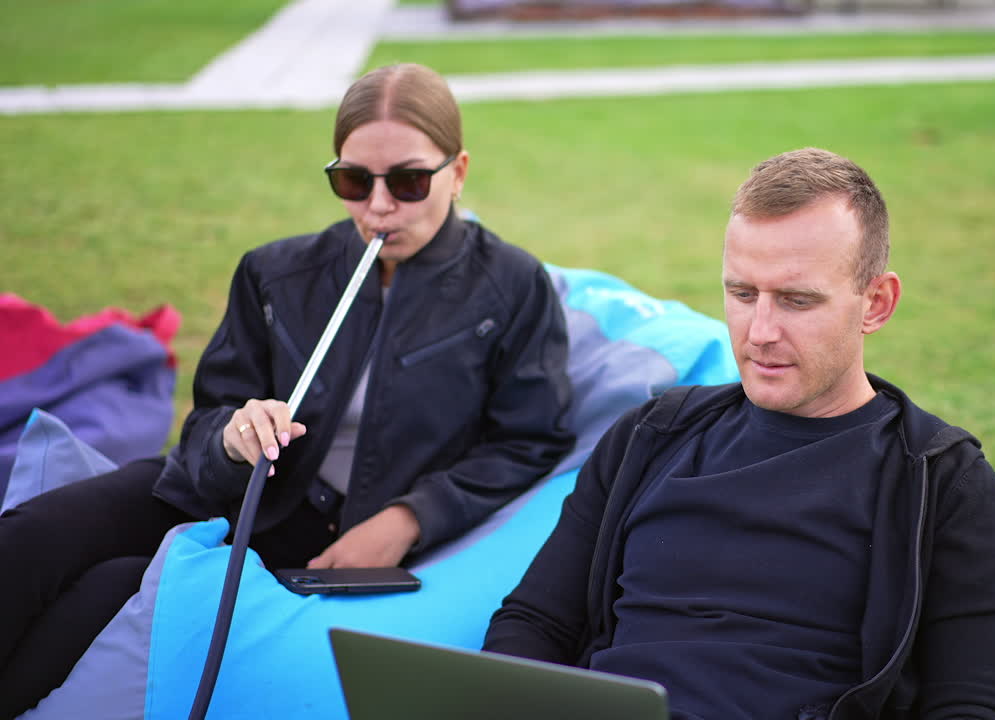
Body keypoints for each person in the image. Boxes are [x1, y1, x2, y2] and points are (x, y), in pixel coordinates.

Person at [0, 63, 574, 718]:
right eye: (354, 181)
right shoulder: (275, 271)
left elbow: (530, 440)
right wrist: (234, 436)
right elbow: (210, 414)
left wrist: (409, 518)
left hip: (331, 533)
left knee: (103, 597)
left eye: (410, 181)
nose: (378, 206)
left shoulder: (512, 287)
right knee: (32, 537)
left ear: (459, 171)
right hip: (222, 488)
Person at [483, 148, 995, 720]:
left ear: (877, 303)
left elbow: (983, 705)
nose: (761, 332)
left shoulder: (940, 482)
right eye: (743, 294)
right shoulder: (651, 437)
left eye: (797, 300)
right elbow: (534, 622)